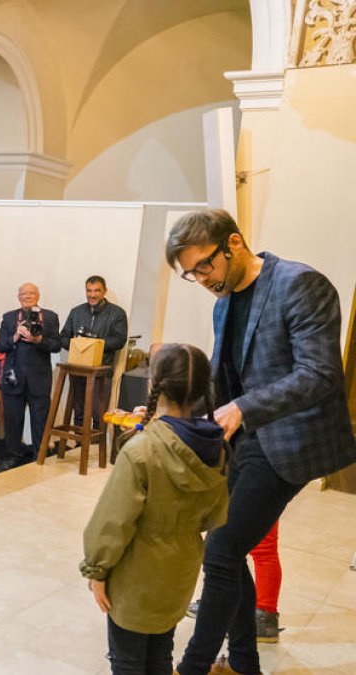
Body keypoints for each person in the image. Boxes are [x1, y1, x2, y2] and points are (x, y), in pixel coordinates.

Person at [165, 209, 356, 675]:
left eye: (203, 266)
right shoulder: (223, 299)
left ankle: (194, 666)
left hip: (291, 438)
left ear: (233, 243)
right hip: (246, 440)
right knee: (228, 547)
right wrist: (173, 415)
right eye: (190, 274)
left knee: (222, 549)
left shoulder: (300, 284)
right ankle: (245, 663)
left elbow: (320, 375)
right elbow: (224, 377)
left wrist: (245, 409)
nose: (201, 279)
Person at [81, 344, 228, 675]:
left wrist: (96, 570)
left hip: (137, 574)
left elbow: (112, 520)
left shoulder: (141, 449)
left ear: (153, 386)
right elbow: (215, 514)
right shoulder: (217, 446)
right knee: (161, 653)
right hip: (180, 570)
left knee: (127, 661)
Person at [0, 283, 61, 467]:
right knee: (13, 418)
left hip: (39, 377)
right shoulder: (9, 318)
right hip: (13, 377)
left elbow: (56, 345)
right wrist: (15, 336)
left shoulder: (49, 317)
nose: (27, 296)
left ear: (38, 296)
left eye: (31, 293)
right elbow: (0, 346)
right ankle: (14, 455)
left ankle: (39, 454)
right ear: (18, 297)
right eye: (23, 294)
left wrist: (38, 340)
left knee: (40, 419)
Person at [61, 276, 129, 426]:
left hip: (102, 371)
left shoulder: (117, 313)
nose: (92, 295)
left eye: (97, 290)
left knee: (99, 414)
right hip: (78, 370)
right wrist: (78, 344)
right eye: (89, 291)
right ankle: (79, 447)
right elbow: (63, 337)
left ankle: (96, 448)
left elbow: (119, 340)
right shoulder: (76, 311)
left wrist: (94, 344)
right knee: (78, 413)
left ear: (104, 291)